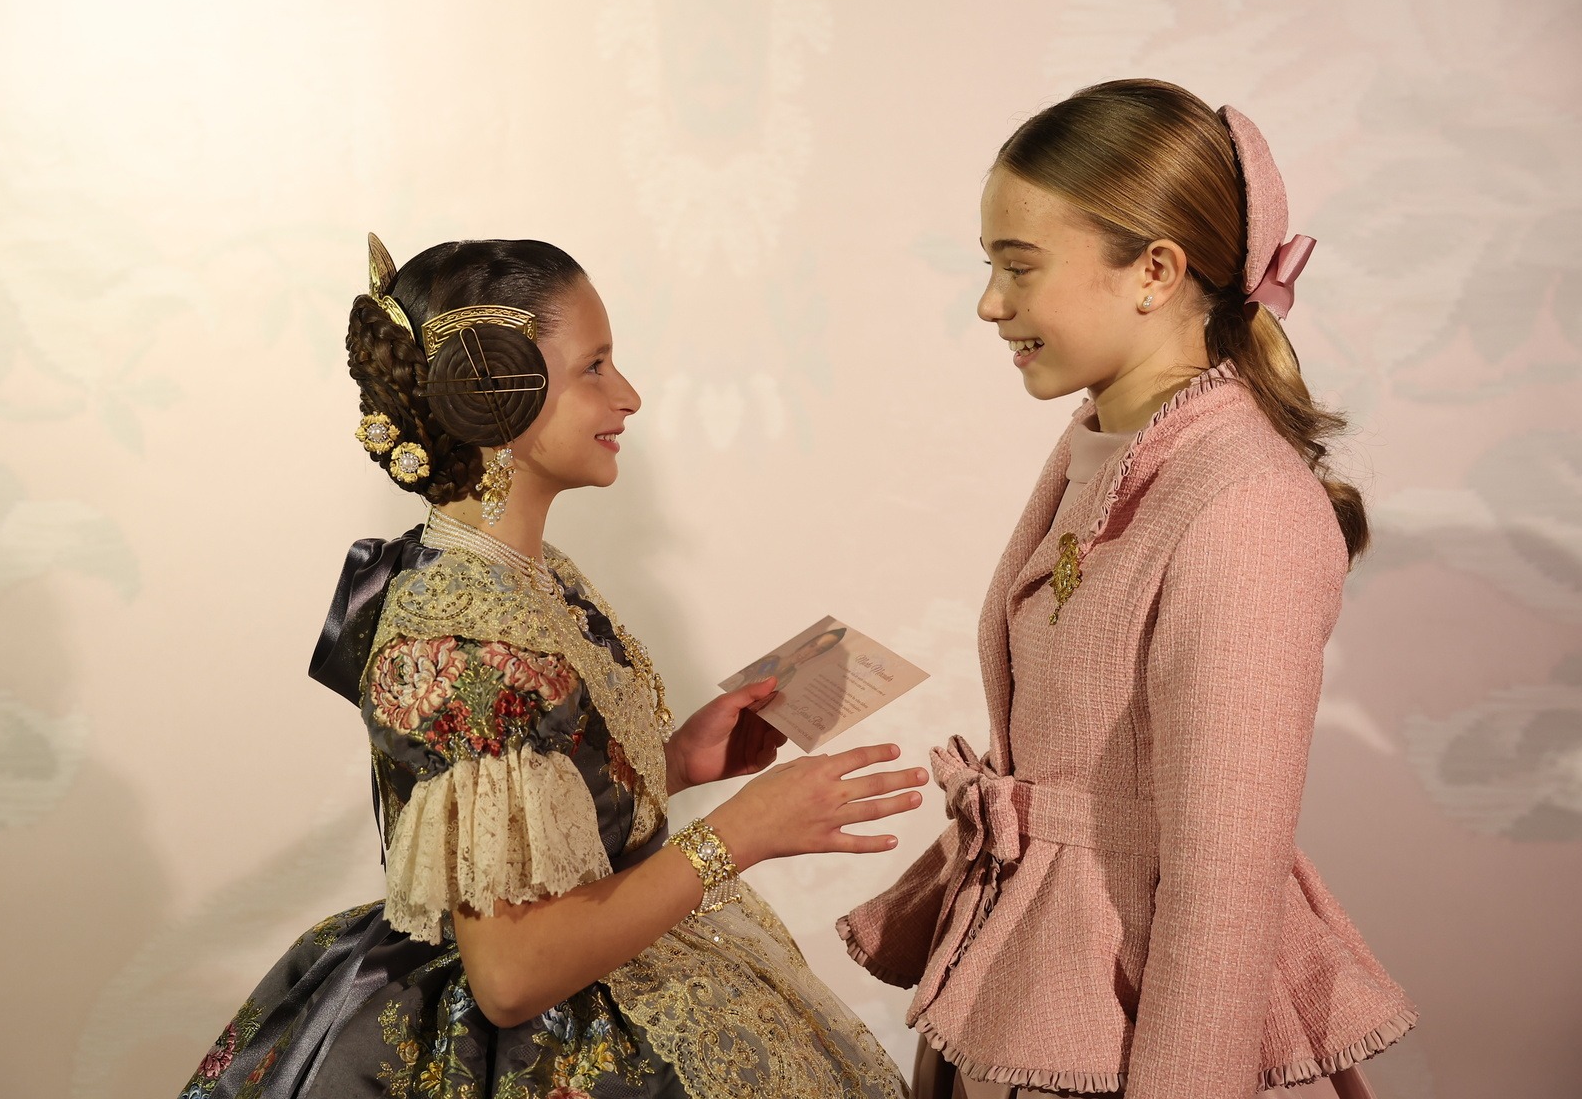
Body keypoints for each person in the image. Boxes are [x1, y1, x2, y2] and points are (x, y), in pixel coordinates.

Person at [180, 235, 926, 1099]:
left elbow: (538, 822)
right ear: (495, 390)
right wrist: (739, 834)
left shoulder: (517, 578)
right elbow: (511, 976)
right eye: (595, 367)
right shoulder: (461, 637)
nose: (628, 395)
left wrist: (673, 764)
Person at [837, 81, 1415, 1099]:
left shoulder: (1244, 505)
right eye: (989, 267)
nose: (991, 303)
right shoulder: (1103, 445)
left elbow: (1223, 887)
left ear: (1155, 271)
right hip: (1029, 991)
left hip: (1129, 1034)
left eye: (1019, 266)